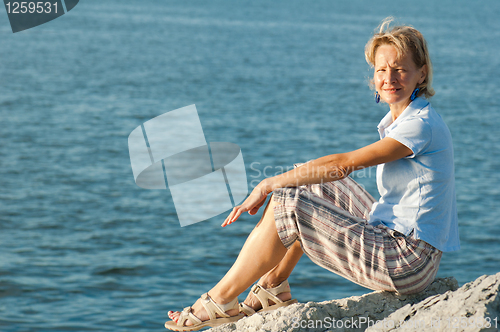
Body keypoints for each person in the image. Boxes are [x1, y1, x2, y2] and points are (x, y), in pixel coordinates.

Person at [165, 17, 460, 331]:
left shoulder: (420, 124)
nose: (389, 78)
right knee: (301, 183)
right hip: (396, 238)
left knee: (289, 201)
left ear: (422, 72)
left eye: (400, 69)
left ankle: (221, 299)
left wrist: (266, 183)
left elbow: (343, 164)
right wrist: (281, 183)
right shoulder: (402, 119)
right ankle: (273, 287)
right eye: (381, 69)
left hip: (408, 261)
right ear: (373, 75)